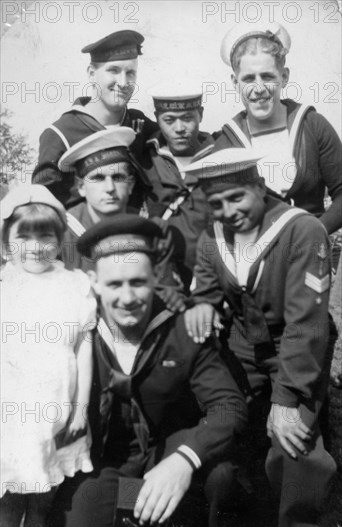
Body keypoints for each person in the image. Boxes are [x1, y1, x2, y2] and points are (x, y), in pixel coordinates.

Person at [46, 214, 248, 527]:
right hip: (103, 464)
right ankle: (132, 508)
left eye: (137, 282)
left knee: (221, 476)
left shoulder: (184, 329)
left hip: (165, 457)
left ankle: (188, 523)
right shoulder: (75, 329)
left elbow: (229, 407)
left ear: (155, 277)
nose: (127, 298)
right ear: (93, 281)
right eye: (114, 284)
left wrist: (185, 459)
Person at [183, 148, 337, 527]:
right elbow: (206, 283)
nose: (228, 211)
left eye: (237, 197)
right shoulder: (212, 237)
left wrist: (286, 397)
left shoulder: (301, 230)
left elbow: (308, 323)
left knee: (293, 441)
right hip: (241, 346)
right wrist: (201, 303)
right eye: (216, 203)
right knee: (223, 430)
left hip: (297, 345)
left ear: (258, 186)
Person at [0, 185, 96, 527]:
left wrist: (80, 408)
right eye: (23, 236)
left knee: (43, 506)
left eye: (46, 235)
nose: (35, 245)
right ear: (7, 242)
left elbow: (83, 347)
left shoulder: (74, 285)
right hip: (10, 416)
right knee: (7, 504)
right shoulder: (4, 286)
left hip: (56, 410)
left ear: (59, 240)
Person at [214, 21, 342, 235]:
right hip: (253, 262)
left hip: (310, 258)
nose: (259, 88)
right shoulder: (226, 143)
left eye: (267, 76)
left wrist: (314, 231)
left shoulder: (312, 125)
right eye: (248, 79)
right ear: (235, 83)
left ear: (284, 77)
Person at [58, 127, 185, 312]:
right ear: (80, 186)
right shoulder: (62, 231)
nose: (109, 188)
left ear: (131, 185)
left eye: (118, 177)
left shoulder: (151, 230)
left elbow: (169, 296)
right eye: (98, 178)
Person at [32, 30, 158, 209]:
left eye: (130, 73)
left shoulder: (139, 123)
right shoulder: (61, 134)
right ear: (91, 73)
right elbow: (43, 207)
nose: (123, 82)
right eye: (113, 71)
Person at [141, 91, 215, 291]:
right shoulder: (143, 158)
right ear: (157, 118)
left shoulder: (220, 155)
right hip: (161, 278)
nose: (179, 128)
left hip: (211, 275)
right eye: (169, 120)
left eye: (188, 118)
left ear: (201, 114)